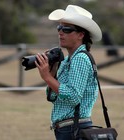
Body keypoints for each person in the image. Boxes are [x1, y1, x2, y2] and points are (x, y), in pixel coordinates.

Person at [35, 5, 102, 140]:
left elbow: (72, 96)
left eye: (66, 29)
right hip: (69, 128)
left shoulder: (80, 59)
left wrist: (47, 77)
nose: (60, 32)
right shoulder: (68, 60)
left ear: (80, 35)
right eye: (59, 28)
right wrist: (52, 74)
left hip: (73, 129)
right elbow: (53, 97)